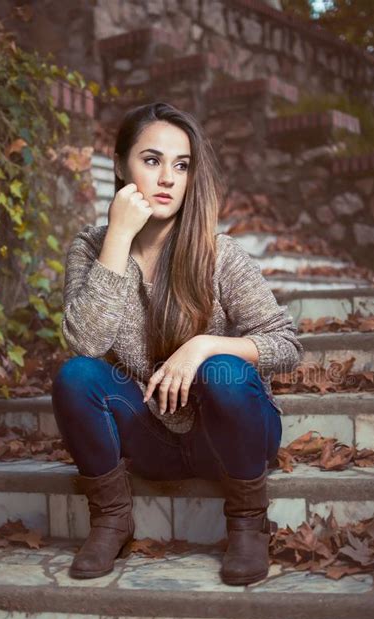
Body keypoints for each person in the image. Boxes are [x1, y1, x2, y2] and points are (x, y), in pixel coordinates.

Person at [51, 101, 304, 586]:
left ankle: (249, 521)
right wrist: (118, 239)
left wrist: (204, 345)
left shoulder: (216, 252)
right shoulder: (92, 247)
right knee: (77, 376)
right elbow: (85, 341)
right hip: (151, 439)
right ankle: (111, 520)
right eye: (151, 161)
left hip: (229, 435)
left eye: (181, 165)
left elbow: (286, 343)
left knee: (222, 370)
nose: (167, 177)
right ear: (122, 166)